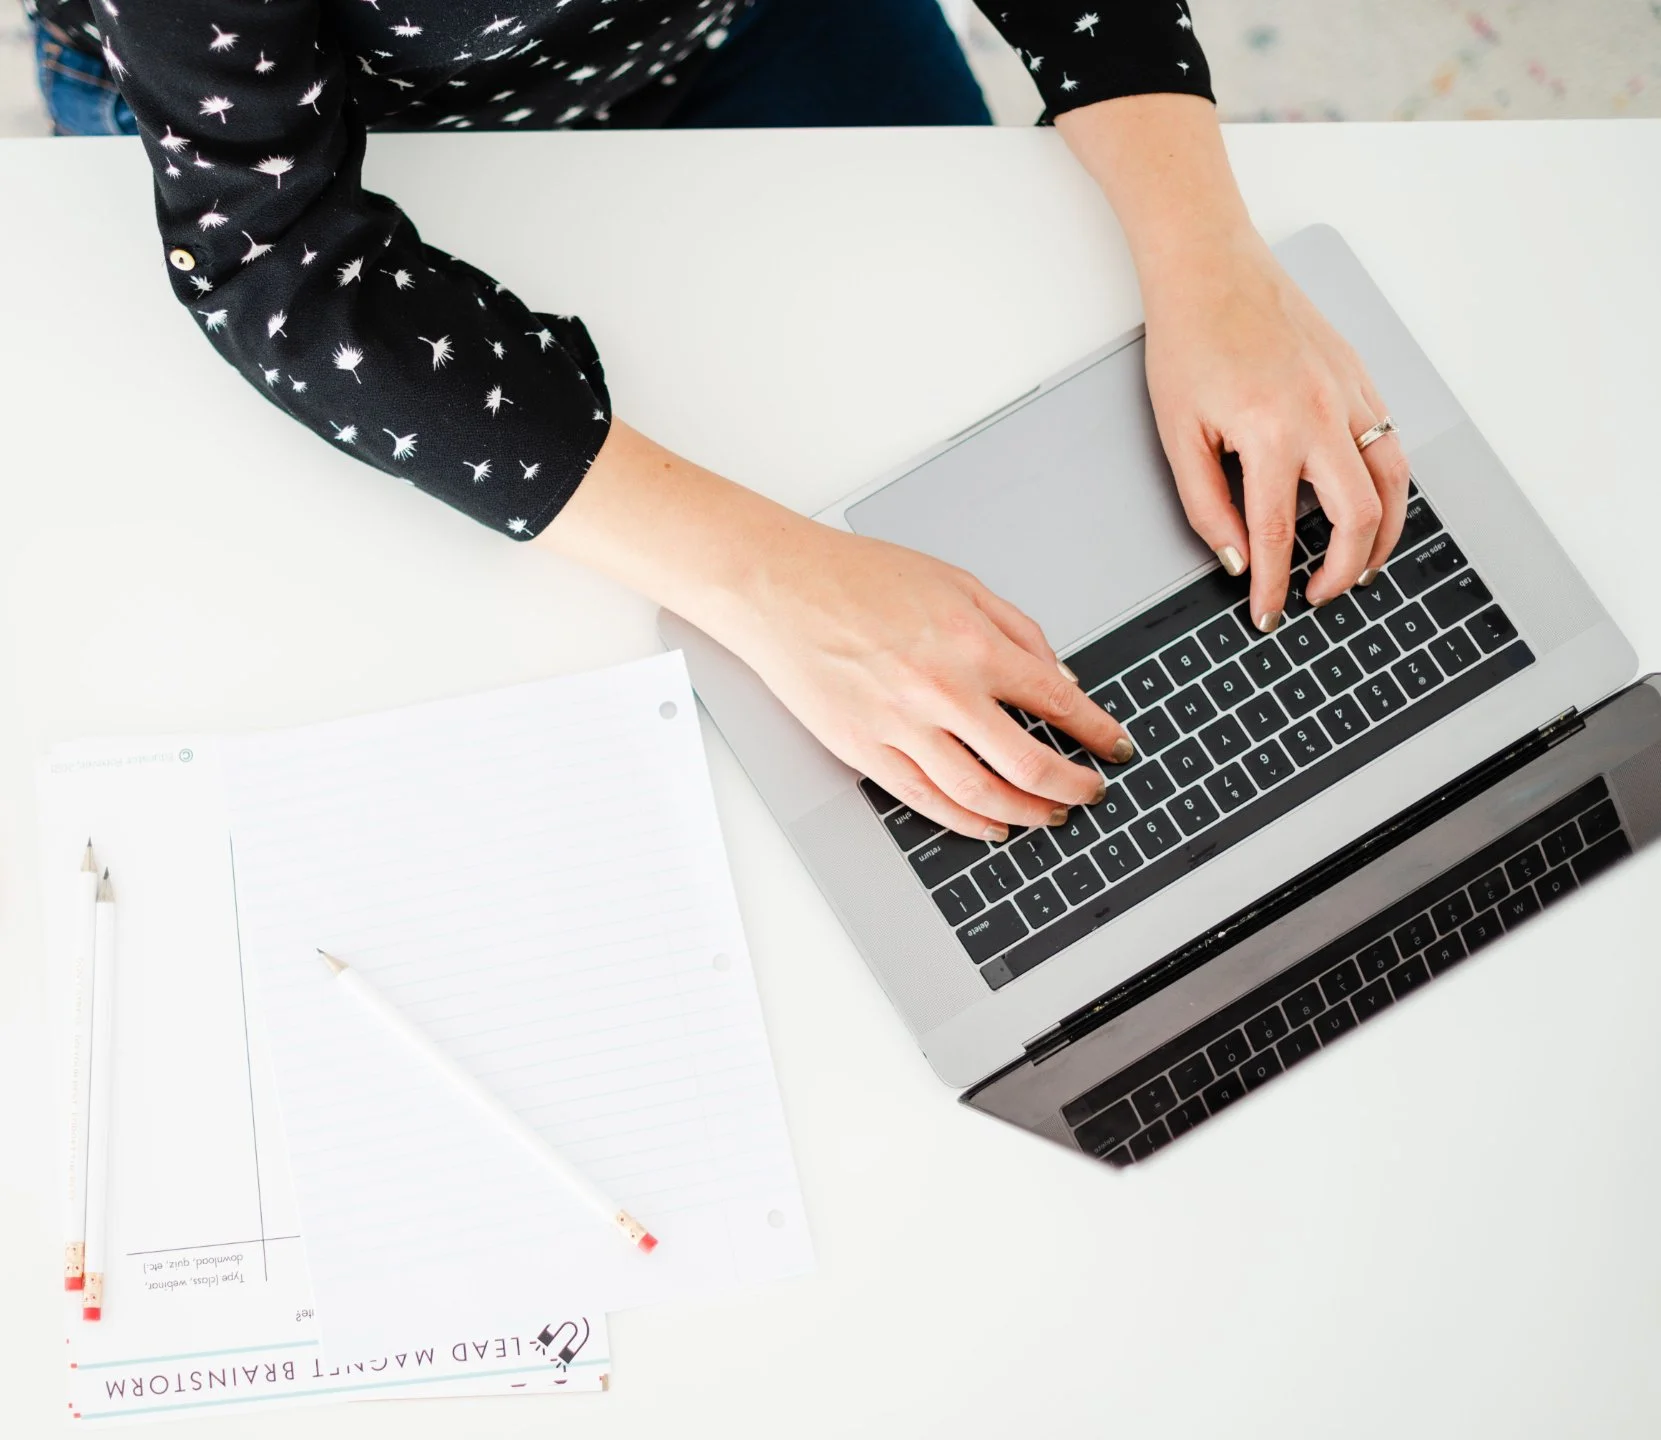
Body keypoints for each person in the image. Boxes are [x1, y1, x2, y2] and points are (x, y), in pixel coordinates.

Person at [31, 0, 1410, 847]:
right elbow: (278, 260)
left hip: (753, 27)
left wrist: (1214, 264)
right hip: (329, 125)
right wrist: (775, 581)